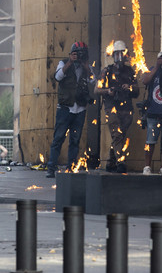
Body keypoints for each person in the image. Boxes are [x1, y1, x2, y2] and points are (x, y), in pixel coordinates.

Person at [46, 41, 93, 178]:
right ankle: (51, 167)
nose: (79, 56)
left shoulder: (86, 67)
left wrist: (86, 67)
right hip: (65, 108)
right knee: (58, 138)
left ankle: (71, 168)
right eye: (76, 54)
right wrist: (70, 63)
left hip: (80, 109)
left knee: (75, 140)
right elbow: (58, 77)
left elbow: (94, 80)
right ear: (72, 54)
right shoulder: (63, 63)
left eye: (81, 54)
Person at [95, 40, 139, 173]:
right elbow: (97, 90)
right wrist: (108, 91)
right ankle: (121, 162)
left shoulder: (130, 71)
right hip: (111, 106)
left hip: (126, 108)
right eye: (117, 54)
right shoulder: (106, 71)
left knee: (119, 136)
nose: (120, 57)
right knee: (117, 134)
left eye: (122, 54)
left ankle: (111, 162)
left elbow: (137, 91)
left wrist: (129, 87)